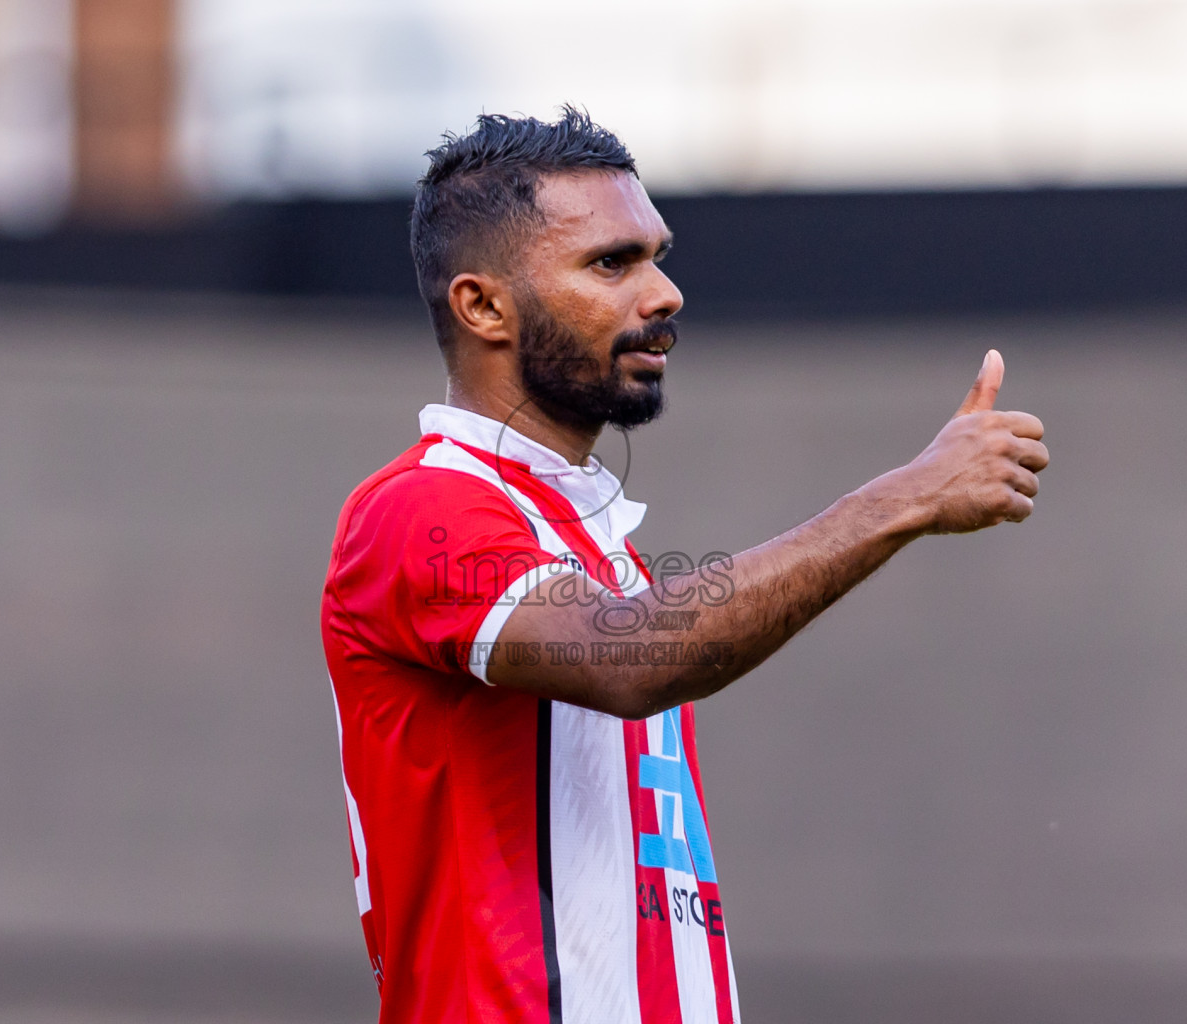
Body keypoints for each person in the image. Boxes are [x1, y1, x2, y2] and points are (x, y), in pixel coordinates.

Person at [321, 107, 1048, 1024]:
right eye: (610, 263)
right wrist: (903, 498)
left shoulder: (601, 552)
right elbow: (630, 658)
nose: (662, 293)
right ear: (483, 306)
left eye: (657, 256)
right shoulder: (421, 509)